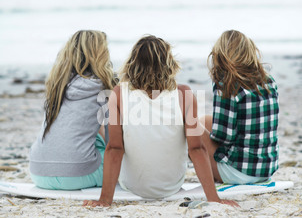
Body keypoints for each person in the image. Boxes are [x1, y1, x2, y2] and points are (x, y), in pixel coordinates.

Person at [83, 35, 239, 207]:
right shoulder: (184, 95)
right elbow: (196, 149)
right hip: (171, 186)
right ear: (169, 64)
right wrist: (213, 198)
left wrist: (105, 200)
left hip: (132, 186)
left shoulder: (118, 94)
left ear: (132, 64)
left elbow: (114, 148)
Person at [29, 30, 117, 190]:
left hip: (38, 173)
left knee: (88, 135)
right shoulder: (103, 88)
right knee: (111, 146)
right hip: (77, 175)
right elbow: (113, 143)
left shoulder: (57, 85)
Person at [201, 30, 279, 185]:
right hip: (265, 170)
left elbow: (224, 137)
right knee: (204, 121)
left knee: (192, 129)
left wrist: (206, 142)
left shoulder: (227, 84)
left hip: (239, 173)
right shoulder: (268, 81)